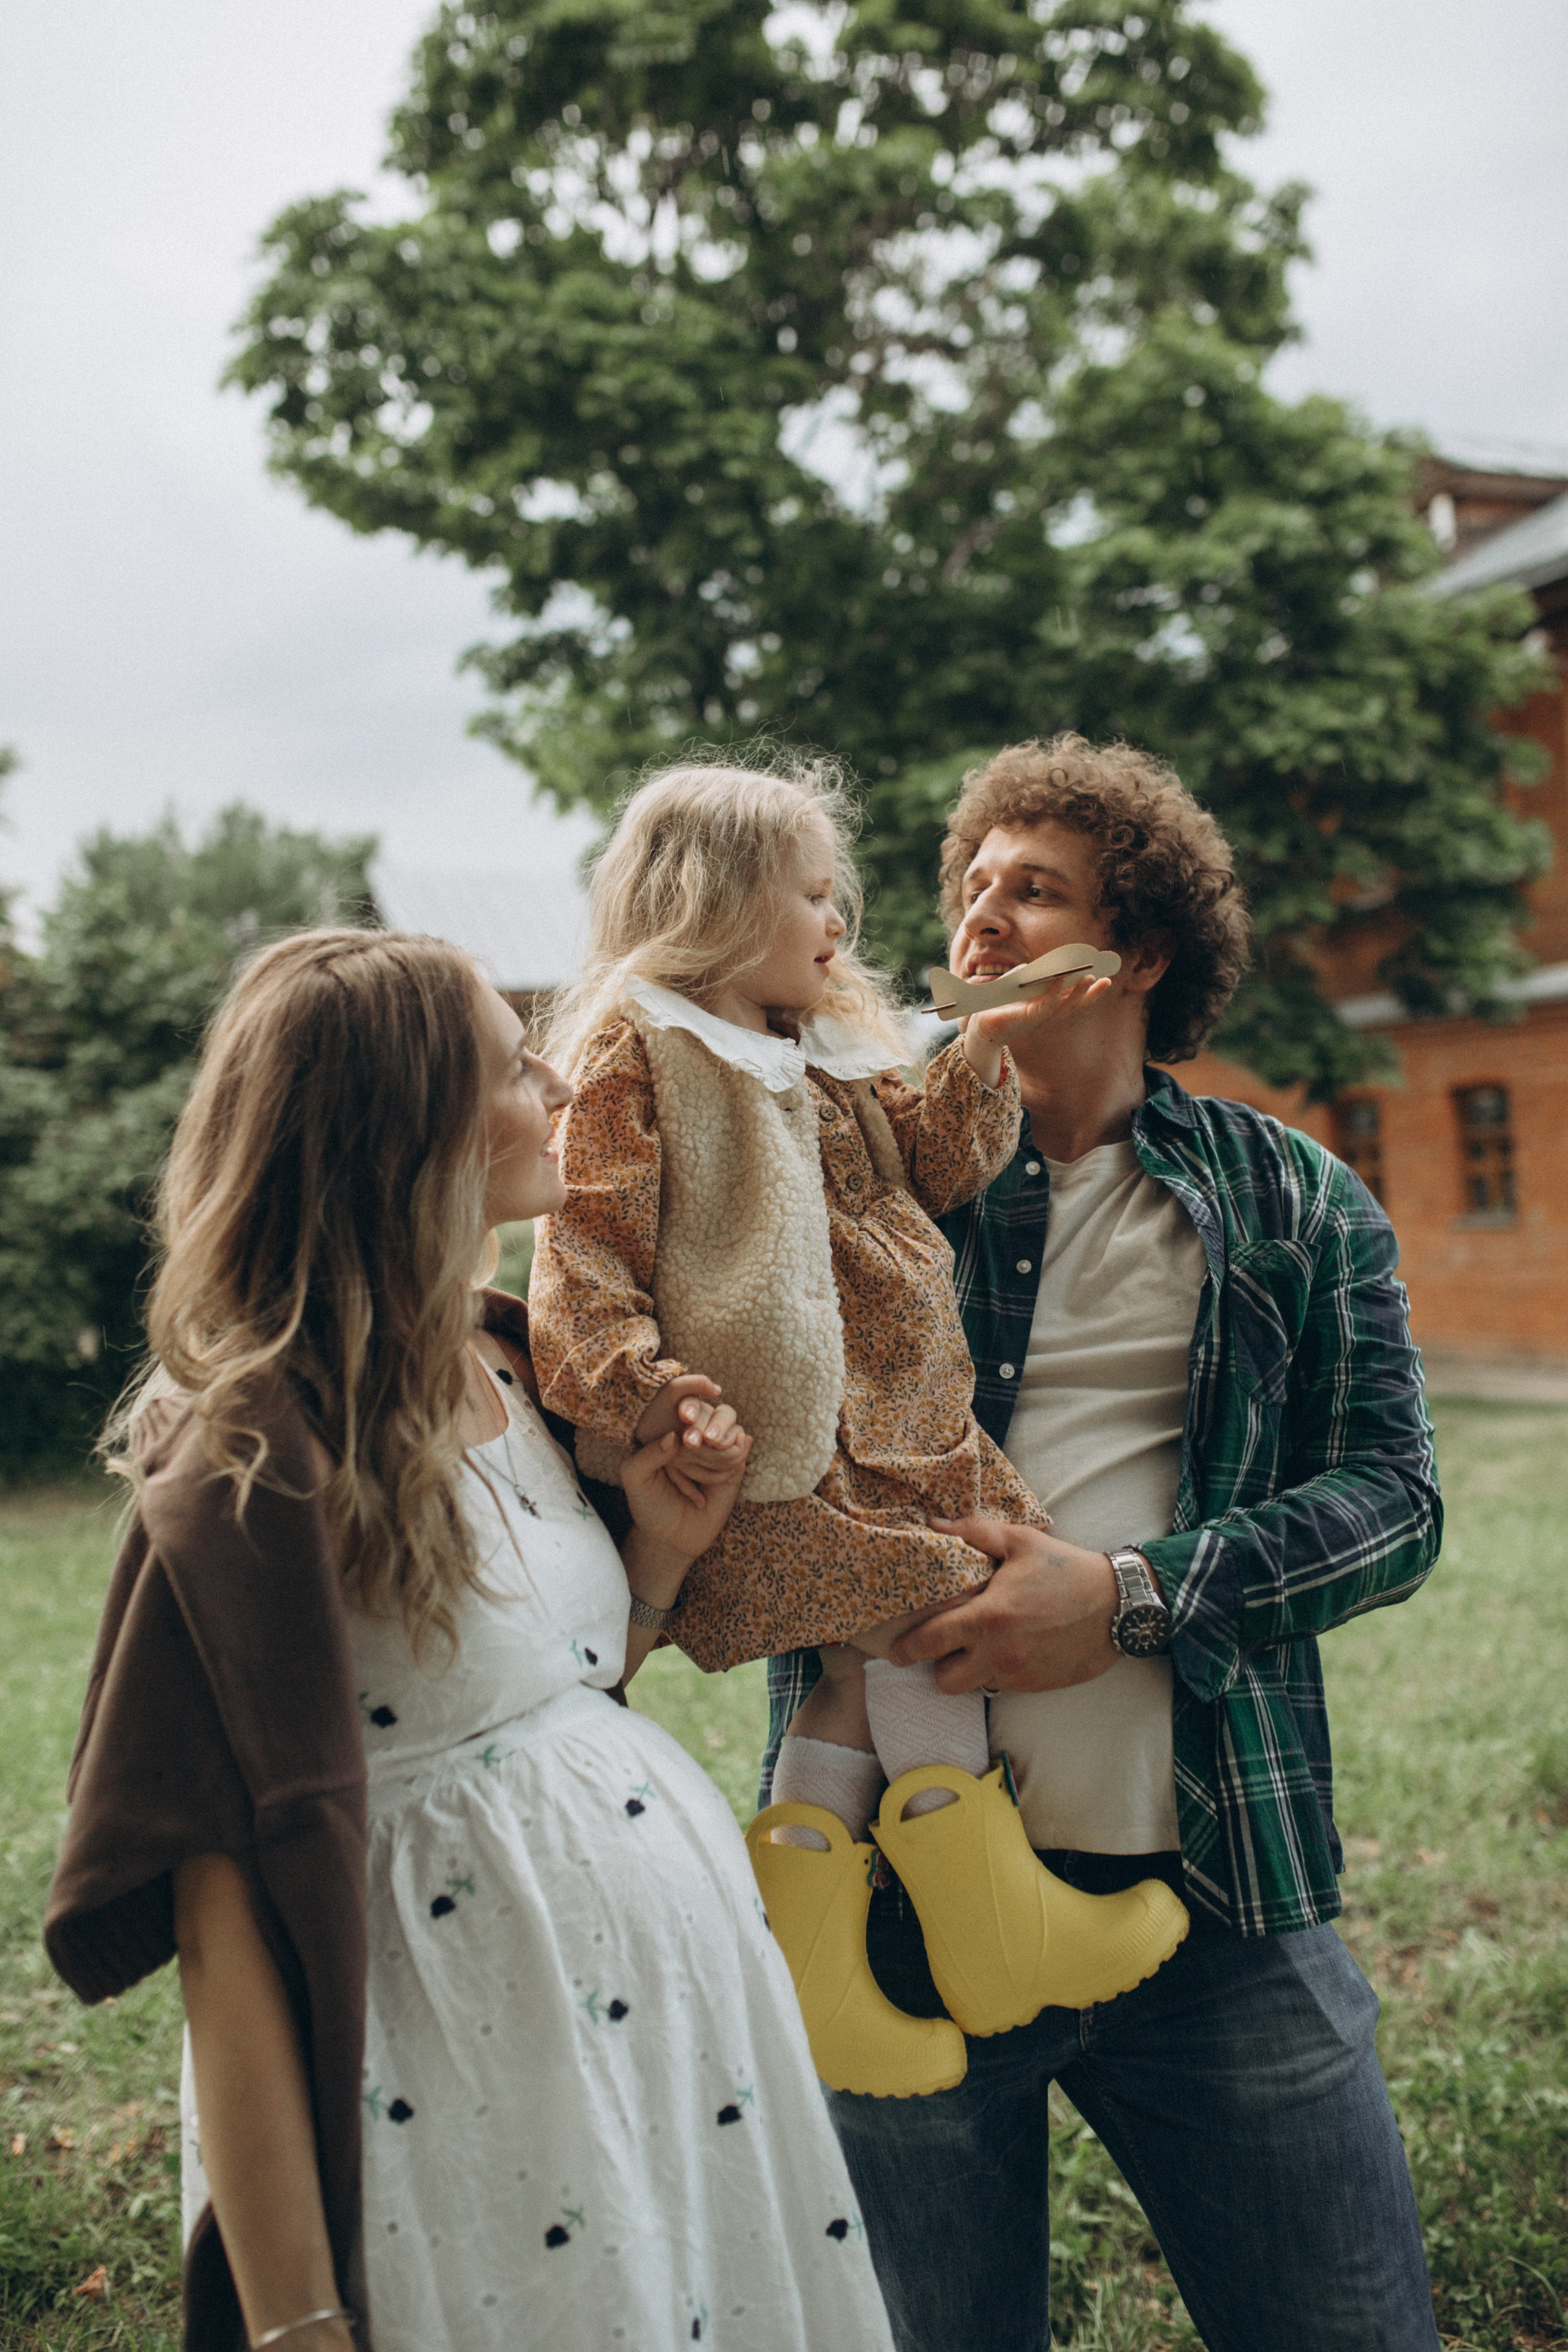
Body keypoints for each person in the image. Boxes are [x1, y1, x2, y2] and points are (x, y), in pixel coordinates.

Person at [44, 927, 899, 2352]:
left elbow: (532, 1720)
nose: (561, 1079)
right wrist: (295, 2319)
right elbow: (222, 1935)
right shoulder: (250, 1456)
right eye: (514, 1063)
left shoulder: (510, 1357)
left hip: (666, 2063)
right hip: (455, 2091)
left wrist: (657, 1556)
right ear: (404, 1128)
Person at [763, 734, 1445, 2352]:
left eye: (1035, 888)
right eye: (972, 887)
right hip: (893, 1918)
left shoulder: (1292, 1200)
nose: (982, 916)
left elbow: (1398, 1501)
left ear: (1133, 950)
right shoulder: (842, 1164)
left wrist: (1132, 1600)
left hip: (1216, 1892)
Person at [528, 756, 1189, 2100]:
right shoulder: (641, 1052)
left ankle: (816, 1971)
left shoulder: (818, 1054)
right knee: (931, 1617)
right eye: (815, 898)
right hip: (771, 1442)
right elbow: (580, 1246)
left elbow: (937, 1164)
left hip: (892, 1422)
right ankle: (994, 1921)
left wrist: (986, 1040)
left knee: (864, 1665)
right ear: (715, 905)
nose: (841, 927)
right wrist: (644, 1384)